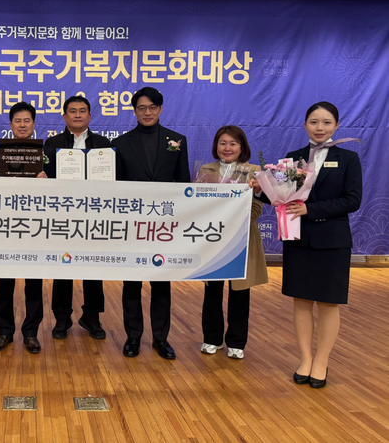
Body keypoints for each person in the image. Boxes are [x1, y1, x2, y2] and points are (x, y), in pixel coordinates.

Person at [250, 101, 362, 388]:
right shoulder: (292, 158)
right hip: (298, 240)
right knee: (301, 300)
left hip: (332, 241)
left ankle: (321, 361)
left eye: (326, 122)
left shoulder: (348, 158)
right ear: (304, 125)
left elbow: (352, 200)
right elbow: (281, 198)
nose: (320, 127)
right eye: (314, 122)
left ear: (336, 126)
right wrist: (260, 190)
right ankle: (305, 359)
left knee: (328, 303)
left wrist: (310, 210)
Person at [112, 87, 189, 359]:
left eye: (152, 107)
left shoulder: (177, 141)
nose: (147, 112)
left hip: (164, 225)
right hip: (132, 224)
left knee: (161, 284)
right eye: (142, 108)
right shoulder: (120, 143)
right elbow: (115, 188)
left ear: (160, 109)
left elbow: (183, 184)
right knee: (132, 284)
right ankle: (133, 337)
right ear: (134, 111)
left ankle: (160, 338)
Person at [196, 125, 267, 360]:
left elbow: (256, 208)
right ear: (216, 146)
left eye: (233, 144)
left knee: (240, 293)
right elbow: (198, 205)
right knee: (212, 292)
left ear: (242, 147)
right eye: (223, 143)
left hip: (242, 238)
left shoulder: (254, 171)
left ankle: (237, 342)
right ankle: (211, 338)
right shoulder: (206, 170)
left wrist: (238, 222)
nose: (227, 148)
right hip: (213, 237)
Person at [44, 95, 111, 341]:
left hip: (94, 215)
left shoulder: (103, 144)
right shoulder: (52, 143)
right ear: (64, 116)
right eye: (72, 111)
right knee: (63, 266)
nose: (78, 115)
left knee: (93, 265)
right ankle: (62, 318)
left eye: (83, 111)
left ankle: (92, 317)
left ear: (90, 116)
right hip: (63, 215)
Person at [0, 101, 48, 354]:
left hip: (35, 225)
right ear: (10, 124)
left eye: (27, 121)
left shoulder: (45, 153)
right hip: (7, 225)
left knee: (34, 281)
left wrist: (48, 181)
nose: (22, 125)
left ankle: (31, 333)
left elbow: (60, 191)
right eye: (17, 121)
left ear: (34, 124)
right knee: (5, 281)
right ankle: (4, 331)